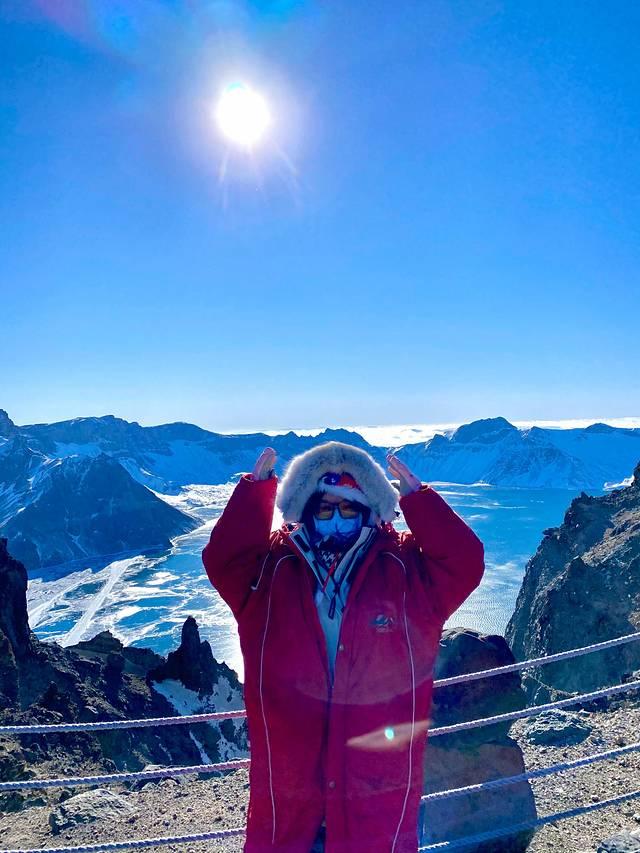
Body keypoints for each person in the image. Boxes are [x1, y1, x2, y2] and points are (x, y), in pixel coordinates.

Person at [202, 440, 485, 853]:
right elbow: (224, 560)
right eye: (325, 508)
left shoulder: (403, 568)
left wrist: (418, 502)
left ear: (370, 509)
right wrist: (254, 493)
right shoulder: (273, 568)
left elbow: (465, 562)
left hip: (374, 785)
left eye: (350, 507)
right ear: (306, 509)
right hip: (290, 789)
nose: (337, 518)